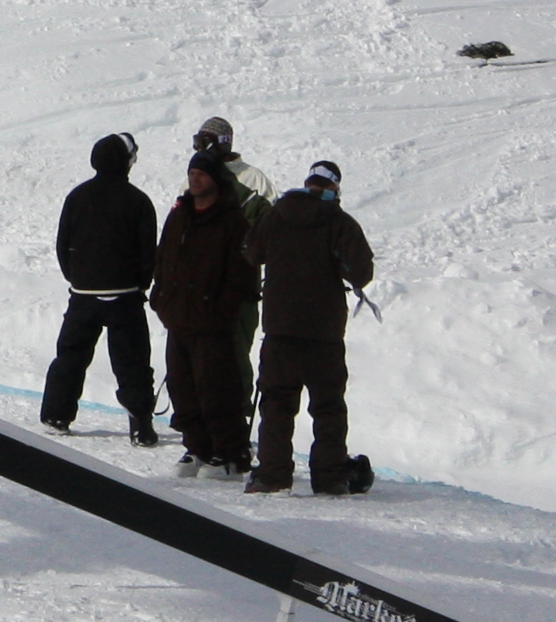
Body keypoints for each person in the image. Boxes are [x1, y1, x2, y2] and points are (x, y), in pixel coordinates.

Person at [248, 159, 375, 495]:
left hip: (279, 328)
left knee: (276, 403)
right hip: (324, 332)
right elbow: (361, 272)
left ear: (308, 183)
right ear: (333, 188)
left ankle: (271, 476)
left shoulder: (276, 215)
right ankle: (329, 476)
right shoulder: (340, 221)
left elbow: (251, 251)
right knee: (328, 405)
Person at [41, 134, 158, 443]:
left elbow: (62, 244)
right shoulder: (138, 200)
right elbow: (149, 252)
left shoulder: (77, 197)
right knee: (132, 362)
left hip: (84, 296)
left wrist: (77, 278)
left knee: (70, 356)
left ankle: (56, 415)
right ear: (127, 161)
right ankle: (141, 424)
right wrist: (139, 284)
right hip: (126, 296)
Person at [149, 154, 259, 478]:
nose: (195, 179)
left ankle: (231, 454)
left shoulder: (232, 220)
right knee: (182, 388)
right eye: (191, 173)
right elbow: (162, 257)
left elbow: (242, 274)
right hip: (179, 318)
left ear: (216, 179)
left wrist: (221, 309)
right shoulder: (179, 215)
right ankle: (197, 447)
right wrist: (161, 297)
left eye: (201, 174)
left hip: (213, 323)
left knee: (217, 390)